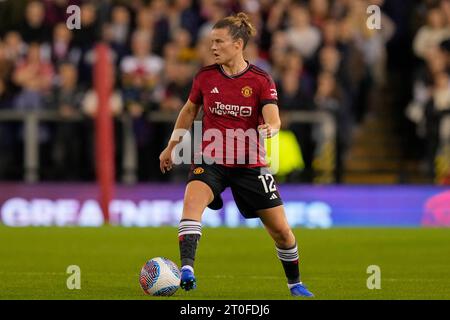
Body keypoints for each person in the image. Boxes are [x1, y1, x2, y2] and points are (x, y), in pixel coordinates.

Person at [159, 12, 314, 297]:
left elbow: (273, 116)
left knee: (281, 231)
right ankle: (187, 270)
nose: (213, 47)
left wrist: (273, 127)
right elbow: (189, 110)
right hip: (211, 159)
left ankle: (295, 284)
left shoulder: (260, 80)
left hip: (249, 164)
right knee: (192, 203)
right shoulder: (205, 76)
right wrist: (172, 145)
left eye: (219, 42)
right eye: (211, 42)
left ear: (238, 45)